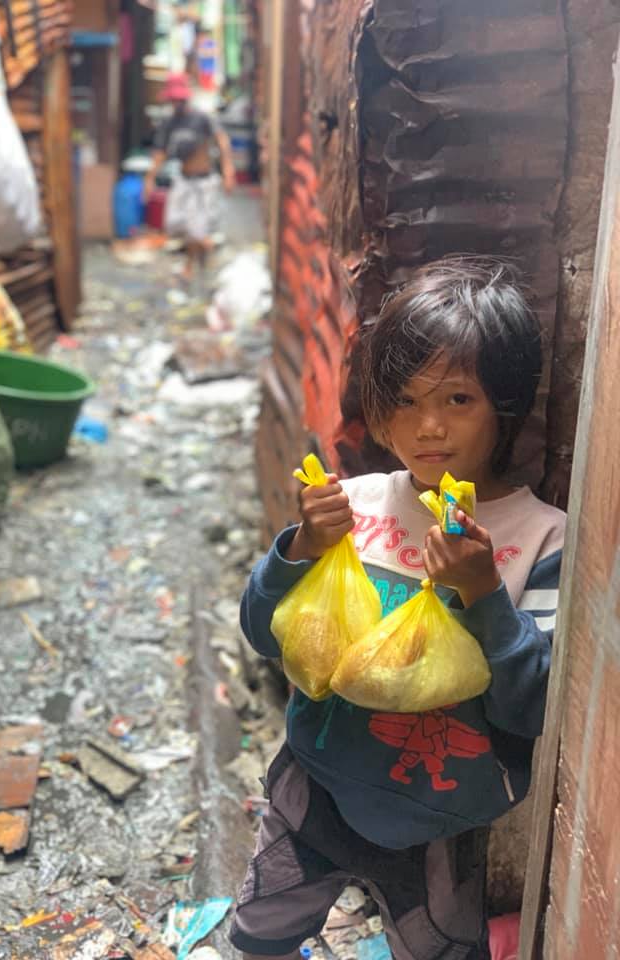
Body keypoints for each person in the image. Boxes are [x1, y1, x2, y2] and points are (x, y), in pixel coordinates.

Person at [230, 257, 566, 960]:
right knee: (261, 935)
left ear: (504, 405)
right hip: (313, 786)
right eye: (405, 401)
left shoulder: (541, 538)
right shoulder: (354, 508)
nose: (428, 428)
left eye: (458, 399)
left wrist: (482, 593)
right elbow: (264, 634)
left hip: (441, 821)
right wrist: (300, 548)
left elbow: (532, 708)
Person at [145, 72, 235, 280]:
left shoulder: (201, 119)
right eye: (173, 100)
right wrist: (149, 178)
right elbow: (160, 153)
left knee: (197, 228)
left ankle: (193, 263)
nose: (176, 104)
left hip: (204, 181)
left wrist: (228, 170)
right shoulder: (169, 123)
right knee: (175, 224)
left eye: (179, 100)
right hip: (183, 179)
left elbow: (222, 140)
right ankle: (203, 250)